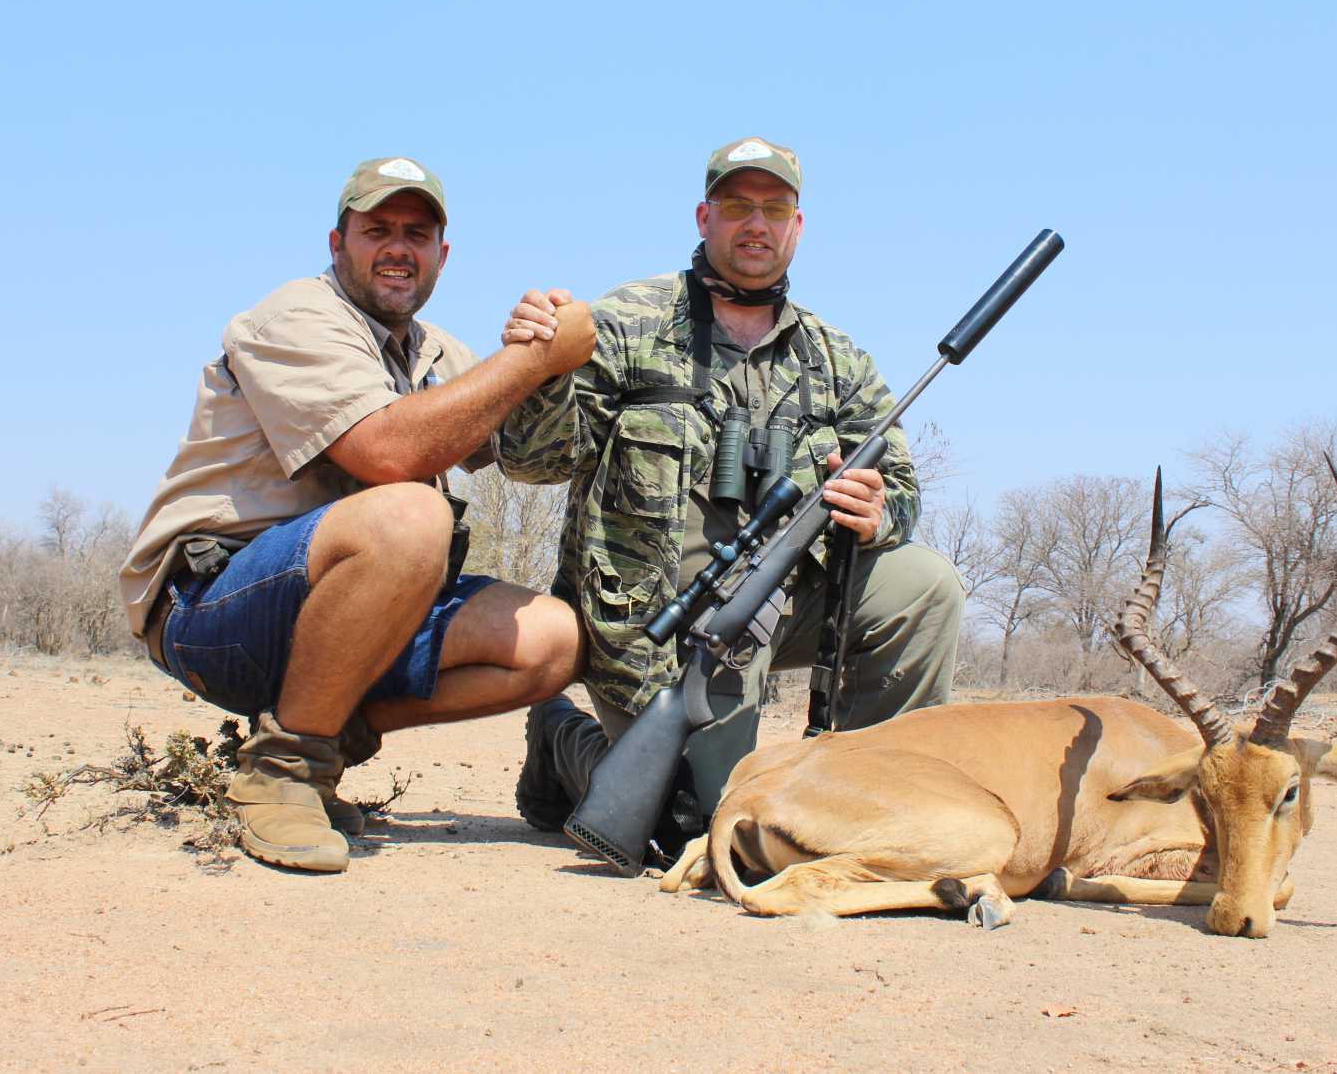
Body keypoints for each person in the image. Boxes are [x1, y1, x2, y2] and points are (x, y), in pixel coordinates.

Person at [120, 156, 595, 873]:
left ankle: (329, 735)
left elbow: (516, 452)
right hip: (213, 608)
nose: (398, 247)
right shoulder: (296, 315)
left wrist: (548, 354)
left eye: (417, 232)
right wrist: (528, 363)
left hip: (346, 623)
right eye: (377, 229)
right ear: (337, 241)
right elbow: (388, 451)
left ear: (443, 254)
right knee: (409, 515)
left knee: (554, 640)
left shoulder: (436, 349)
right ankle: (283, 769)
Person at [494, 137, 964, 840]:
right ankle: (564, 738)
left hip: (771, 609)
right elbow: (529, 462)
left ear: (797, 227)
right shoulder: (628, 321)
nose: (757, 223)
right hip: (648, 631)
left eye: (775, 208)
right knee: (691, 828)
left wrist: (877, 511)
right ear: (703, 217)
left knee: (928, 584)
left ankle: (877, 799)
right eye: (737, 205)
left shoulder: (835, 357)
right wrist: (535, 366)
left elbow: (899, 485)